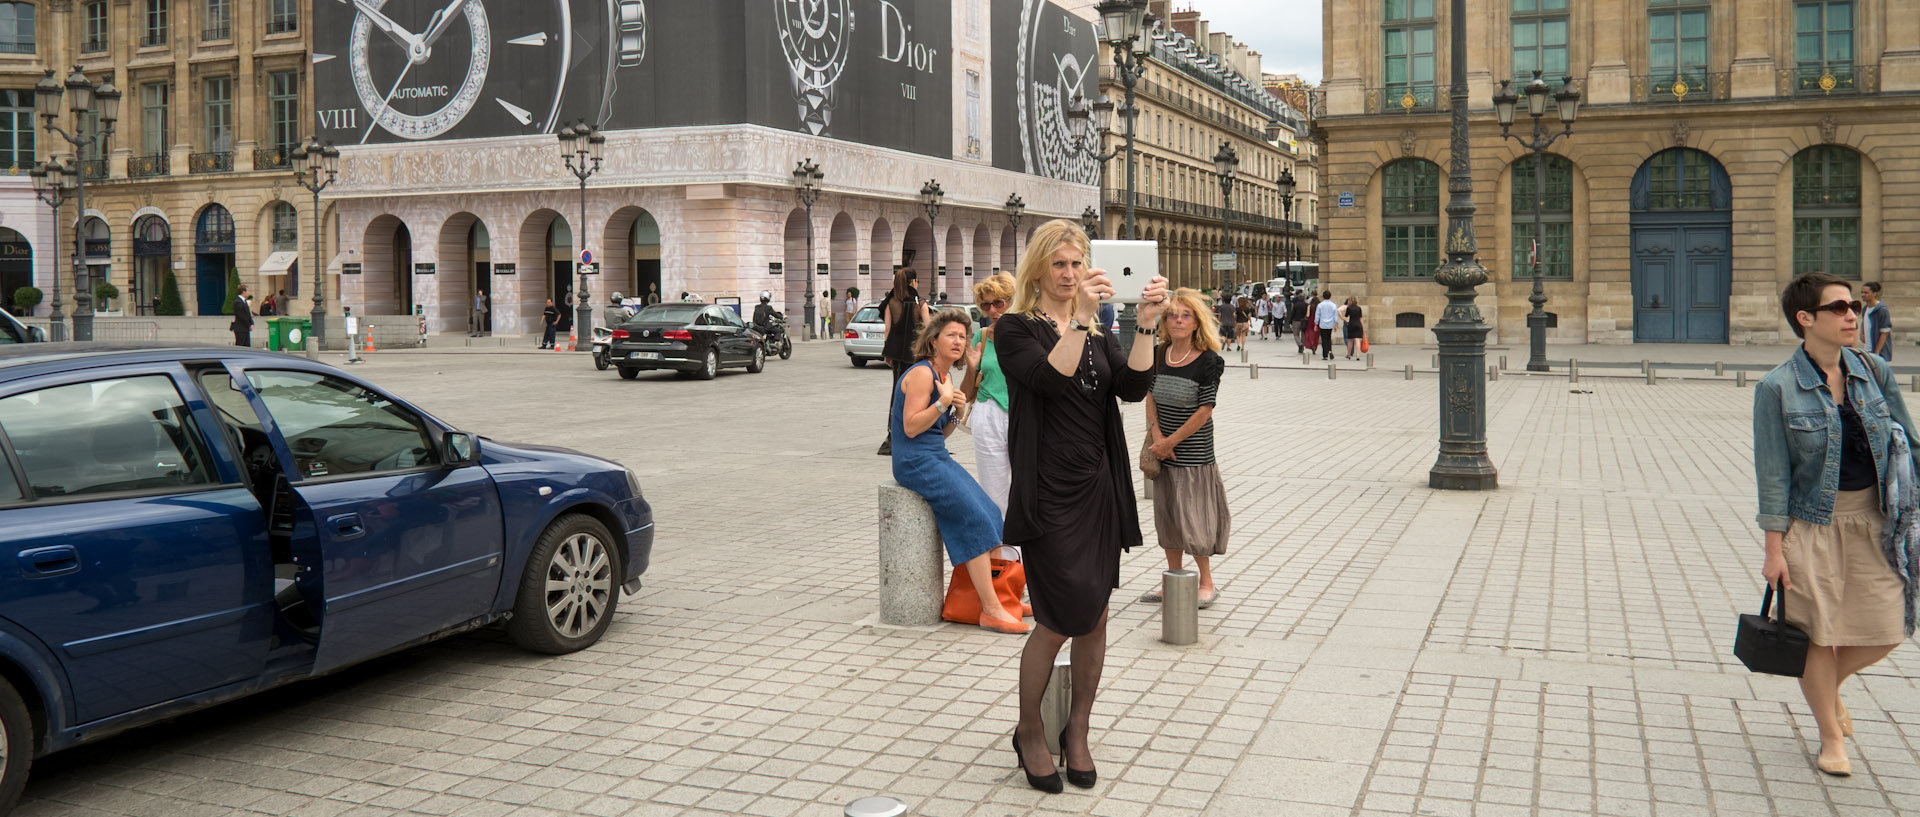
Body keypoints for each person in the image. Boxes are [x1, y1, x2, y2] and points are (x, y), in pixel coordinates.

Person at [995, 219, 1165, 794]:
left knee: (1094, 617)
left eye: (1077, 264)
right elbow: (1046, 381)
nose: (1070, 275)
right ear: (1039, 269)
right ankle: (1027, 730)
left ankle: (1078, 731)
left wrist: (1144, 327)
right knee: (1053, 621)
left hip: (1097, 488)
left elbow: (1133, 387)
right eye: (1060, 265)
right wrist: (1086, 319)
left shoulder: (1099, 333)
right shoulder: (1015, 328)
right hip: (1048, 492)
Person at [1754, 271, 1920, 778]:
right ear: (1806, 319)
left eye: (1853, 306)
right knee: (1818, 637)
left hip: (1876, 520)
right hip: (1811, 525)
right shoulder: (1776, 388)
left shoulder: (1873, 371)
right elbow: (1773, 476)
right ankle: (1830, 736)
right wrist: (1774, 550)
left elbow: (1908, 443)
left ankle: (1827, 686)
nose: (1853, 314)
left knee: (1890, 625)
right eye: (1840, 307)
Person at [892, 308, 1026, 635]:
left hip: (935, 455)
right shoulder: (923, 374)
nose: (958, 341)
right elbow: (910, 429)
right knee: (975, 518)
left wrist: (955, 412)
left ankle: (1002, 596)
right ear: (933, 339)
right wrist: (941, 404)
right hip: (914, 462)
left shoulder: (945, 377)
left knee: (992, 513)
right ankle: (990, 608)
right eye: (950, 335)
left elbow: (939, 433)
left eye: (962, 336)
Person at [1141, 288, 1231, 608]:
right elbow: (1150, 396)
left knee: (1195, 519)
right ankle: (1174, 576)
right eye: (1172, 315)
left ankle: (1206, 581)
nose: (1178, 321)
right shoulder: (1157, 353)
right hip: (1163, 449)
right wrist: (1157, 437)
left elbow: (1205, 408)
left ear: (1196, 322)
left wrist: (1171, 442)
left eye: (1185, 316)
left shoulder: (1209, 360)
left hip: (1192, 453)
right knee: (1168, 516)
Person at [967, 273, 1018, 562]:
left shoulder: (1032, 333)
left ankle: (1028, 566)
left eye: (999, 303)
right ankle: (1004, 568)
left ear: (1013, 301)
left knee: (1026, 493)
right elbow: (967, 392)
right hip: (988, 414)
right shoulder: (981, 337)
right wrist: (972, 369)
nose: (993, 311)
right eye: (985, 306)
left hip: (1024, 416)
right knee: (994, 495)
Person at [878, 269, 929, 456]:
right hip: (916, 357)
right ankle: (916, 433)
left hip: (897, 356)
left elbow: (888, 330)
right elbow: (929, 331)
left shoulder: (891, 303)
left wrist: (887, 352)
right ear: (913, 282)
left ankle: (893, 435)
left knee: (898, 393)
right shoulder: (920, 303)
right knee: (918, 394)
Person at [1863, 282, 1891, 360]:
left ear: (1874, 293)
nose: (1863, 295)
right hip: (1867, 349)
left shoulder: (1882, 310)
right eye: (1862, 292)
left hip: (1877, 353)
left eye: (1866, 293)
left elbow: (1884, 332)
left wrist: (1877, 351)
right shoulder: (1865, 308)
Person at [1314, 289, 1338, 360]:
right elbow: (1335, 316)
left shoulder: (1320, 305)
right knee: (1328, 338)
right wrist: (1335, 324)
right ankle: (1330, 350)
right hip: (1330, 324)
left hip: (1323, 324)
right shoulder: (1333, 305)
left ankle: (1325, 354)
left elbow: (1317, 315)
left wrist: (1316, 324)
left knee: (1324, 339)